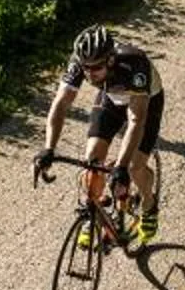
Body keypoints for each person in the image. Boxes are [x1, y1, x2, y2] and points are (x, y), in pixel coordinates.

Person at [32, 24, 162, 247]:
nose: (89, 75)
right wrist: (48, 148)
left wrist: (121, 166)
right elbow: (61, 103)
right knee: (91, 160)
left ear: (110, 60)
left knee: (134, 167)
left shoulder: (135, 63)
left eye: (96, 68)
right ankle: (93, 211)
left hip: (144, 104)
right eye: (85, 68)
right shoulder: (80, 63)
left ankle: (149, 207)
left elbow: (136, 120)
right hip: (111, 98)